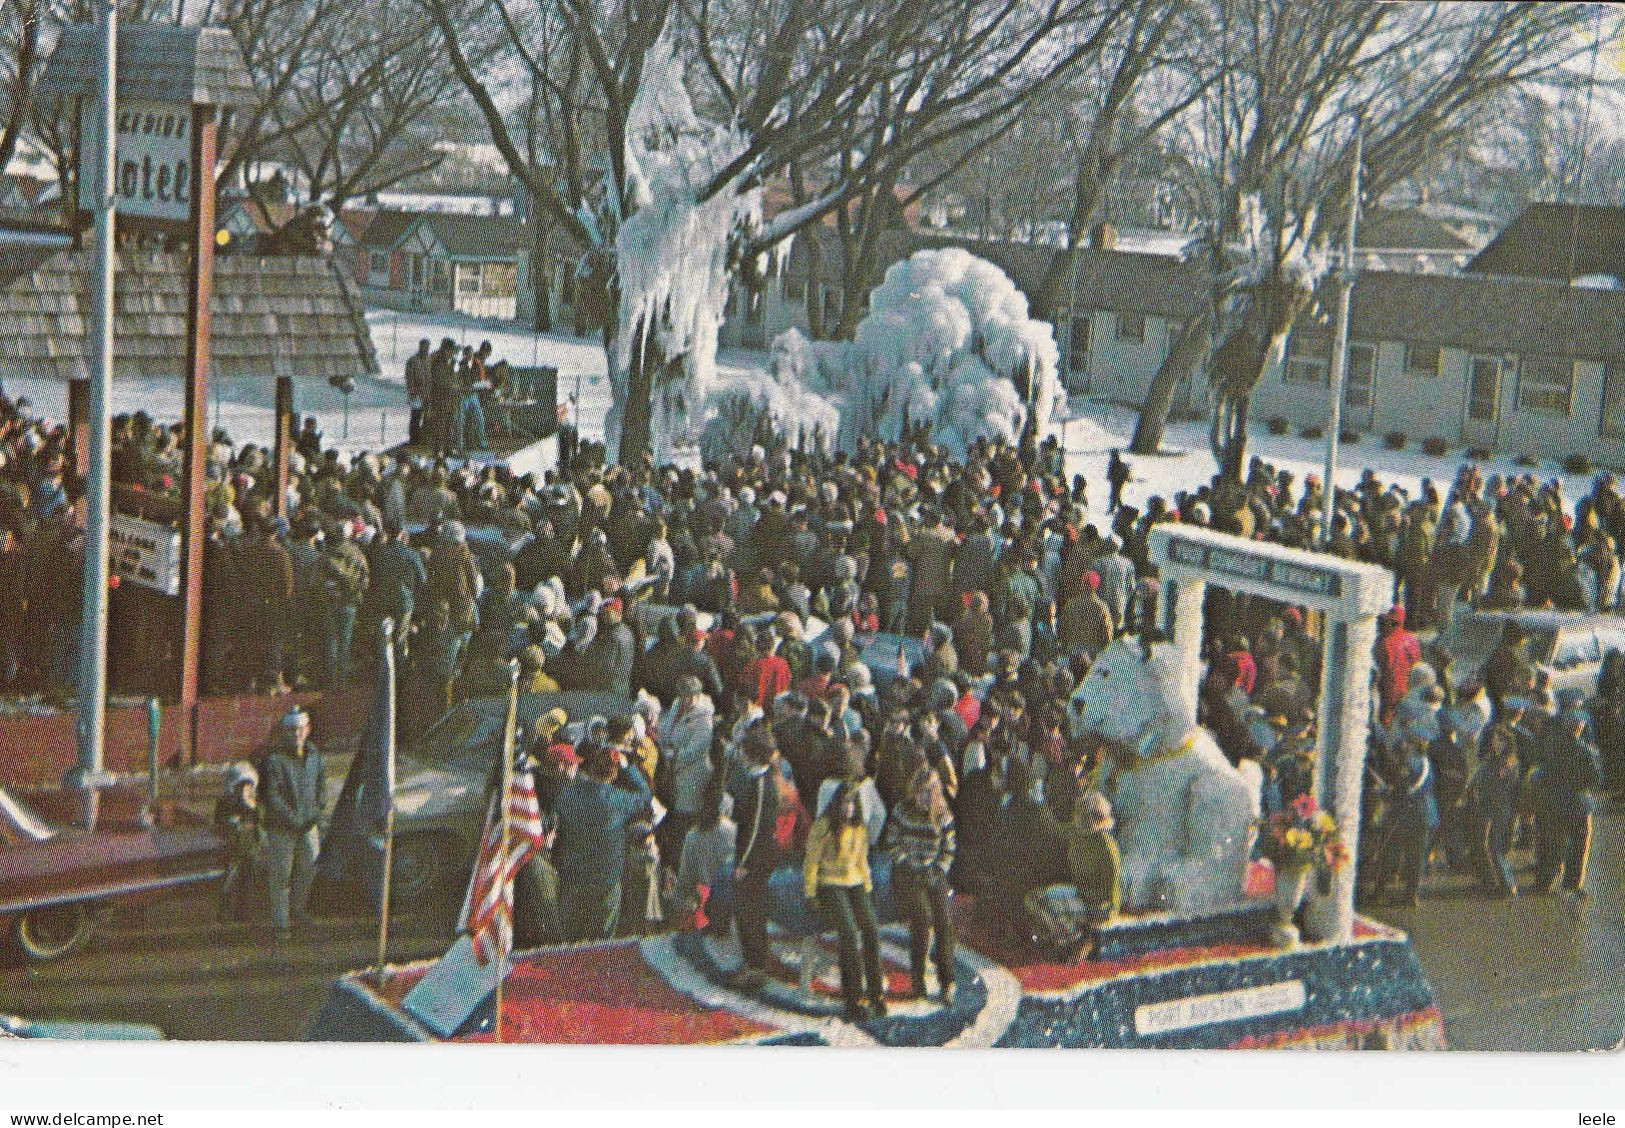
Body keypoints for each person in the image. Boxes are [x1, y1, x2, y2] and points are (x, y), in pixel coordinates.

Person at [803, 781, 887, 1020]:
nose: (848, 808)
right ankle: (853, 999)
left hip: (856, 881)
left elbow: (862, 861)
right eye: (844, 803)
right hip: (831, 883)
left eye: (852, 803)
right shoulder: (824, 827)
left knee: (871, 930)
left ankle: (876, 993)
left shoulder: (859, 828)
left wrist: (868, 888)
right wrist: (810, 893)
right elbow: (812, 862)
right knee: (849, 933)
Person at [553, 744, 654, 941]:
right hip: (605, 882)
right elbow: (646, 796)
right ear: (614, 773)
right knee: (600, 944)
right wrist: (629, 768)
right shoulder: (619, 800)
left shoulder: (568, 795)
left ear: (591, 768)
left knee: (569, 945)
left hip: (572, 878)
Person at [883, 766, 958, 1004]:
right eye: (921, 792)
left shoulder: (943, 815)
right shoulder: (902, 812)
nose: (925, 798)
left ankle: (947, 981)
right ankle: (918, 978)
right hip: (908, 872)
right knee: (922, 918)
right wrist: (909, 863)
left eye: (930, 792)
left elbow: (949, 849)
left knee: (944, 920)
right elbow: (892, 843)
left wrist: (936, 870)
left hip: (933, 872)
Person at [262, 708, 327, 941]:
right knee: (281, 876)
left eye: (300, 729)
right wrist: (293, 819)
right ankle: (281, 924)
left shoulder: (314, 755)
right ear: (284, 732)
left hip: (308, 825)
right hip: (282, 828)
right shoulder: (274, 759)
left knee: (309, 867)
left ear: (307, 730)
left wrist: (317, 811)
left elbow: (321, 787)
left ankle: (297, 909)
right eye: (291, 730)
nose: (296, 734)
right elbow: (272, 795)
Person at [1530, 699, 1603, 898]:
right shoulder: (1586, 750)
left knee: (1553, 842)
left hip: (1554, 800)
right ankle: (1573, 884)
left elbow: (1541, 770)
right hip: (1578, 803)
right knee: (1579, 844)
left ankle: (1546, 880)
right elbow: (1596, 778)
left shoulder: (1551, 743)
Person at [675, 775, 736, 935]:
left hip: (703, 907)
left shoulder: (693, 835)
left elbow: (685, 880)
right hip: (729, 906)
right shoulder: (732, 831)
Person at [214, 762, 263, 922]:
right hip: (233, 847)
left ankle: (245, 911)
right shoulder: (226, 803)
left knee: (248, 879)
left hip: (249, 846)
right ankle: (225, 910)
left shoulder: (254, 804)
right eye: (242, 786)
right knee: (230, 879)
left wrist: (252, 807)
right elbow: (219, 823)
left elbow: (260, 822)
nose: (245, 790)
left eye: (248, 786)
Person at [404, 338, 432, 446]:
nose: (425, 349)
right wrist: (413, 392)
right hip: (416, 394)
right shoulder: (412, 361)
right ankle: (413, 440)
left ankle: (422, 438)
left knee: (426, 417)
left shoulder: (429, 360)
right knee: (415, 417)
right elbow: (409, 378)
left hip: (427, 393)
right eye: (423, 346)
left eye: (427, 347)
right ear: (420, 346)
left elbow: (430, 377)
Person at [1106, 449, 1130, 514]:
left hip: (1118, 481)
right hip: (1117, 481)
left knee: (1114, 495)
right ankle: (1121, 508)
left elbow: (1111, 472)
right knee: (1116, 495)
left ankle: (1112, 509)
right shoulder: (1114, 463)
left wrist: (1109, 476)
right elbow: (1110, 472)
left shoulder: (1115, 463)